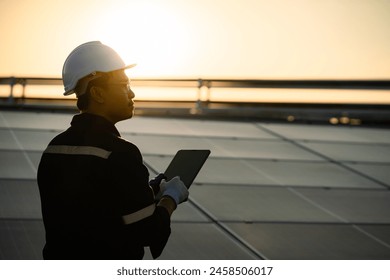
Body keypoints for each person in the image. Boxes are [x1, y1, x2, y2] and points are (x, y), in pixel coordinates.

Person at [37, 41, 189, 260]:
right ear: (98, 93)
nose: (132, 93)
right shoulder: (121, 153)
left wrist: (148, 192)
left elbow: (94, 209)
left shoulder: (54, 148)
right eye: (124, 85)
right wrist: (170, 198)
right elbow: (148, 231)